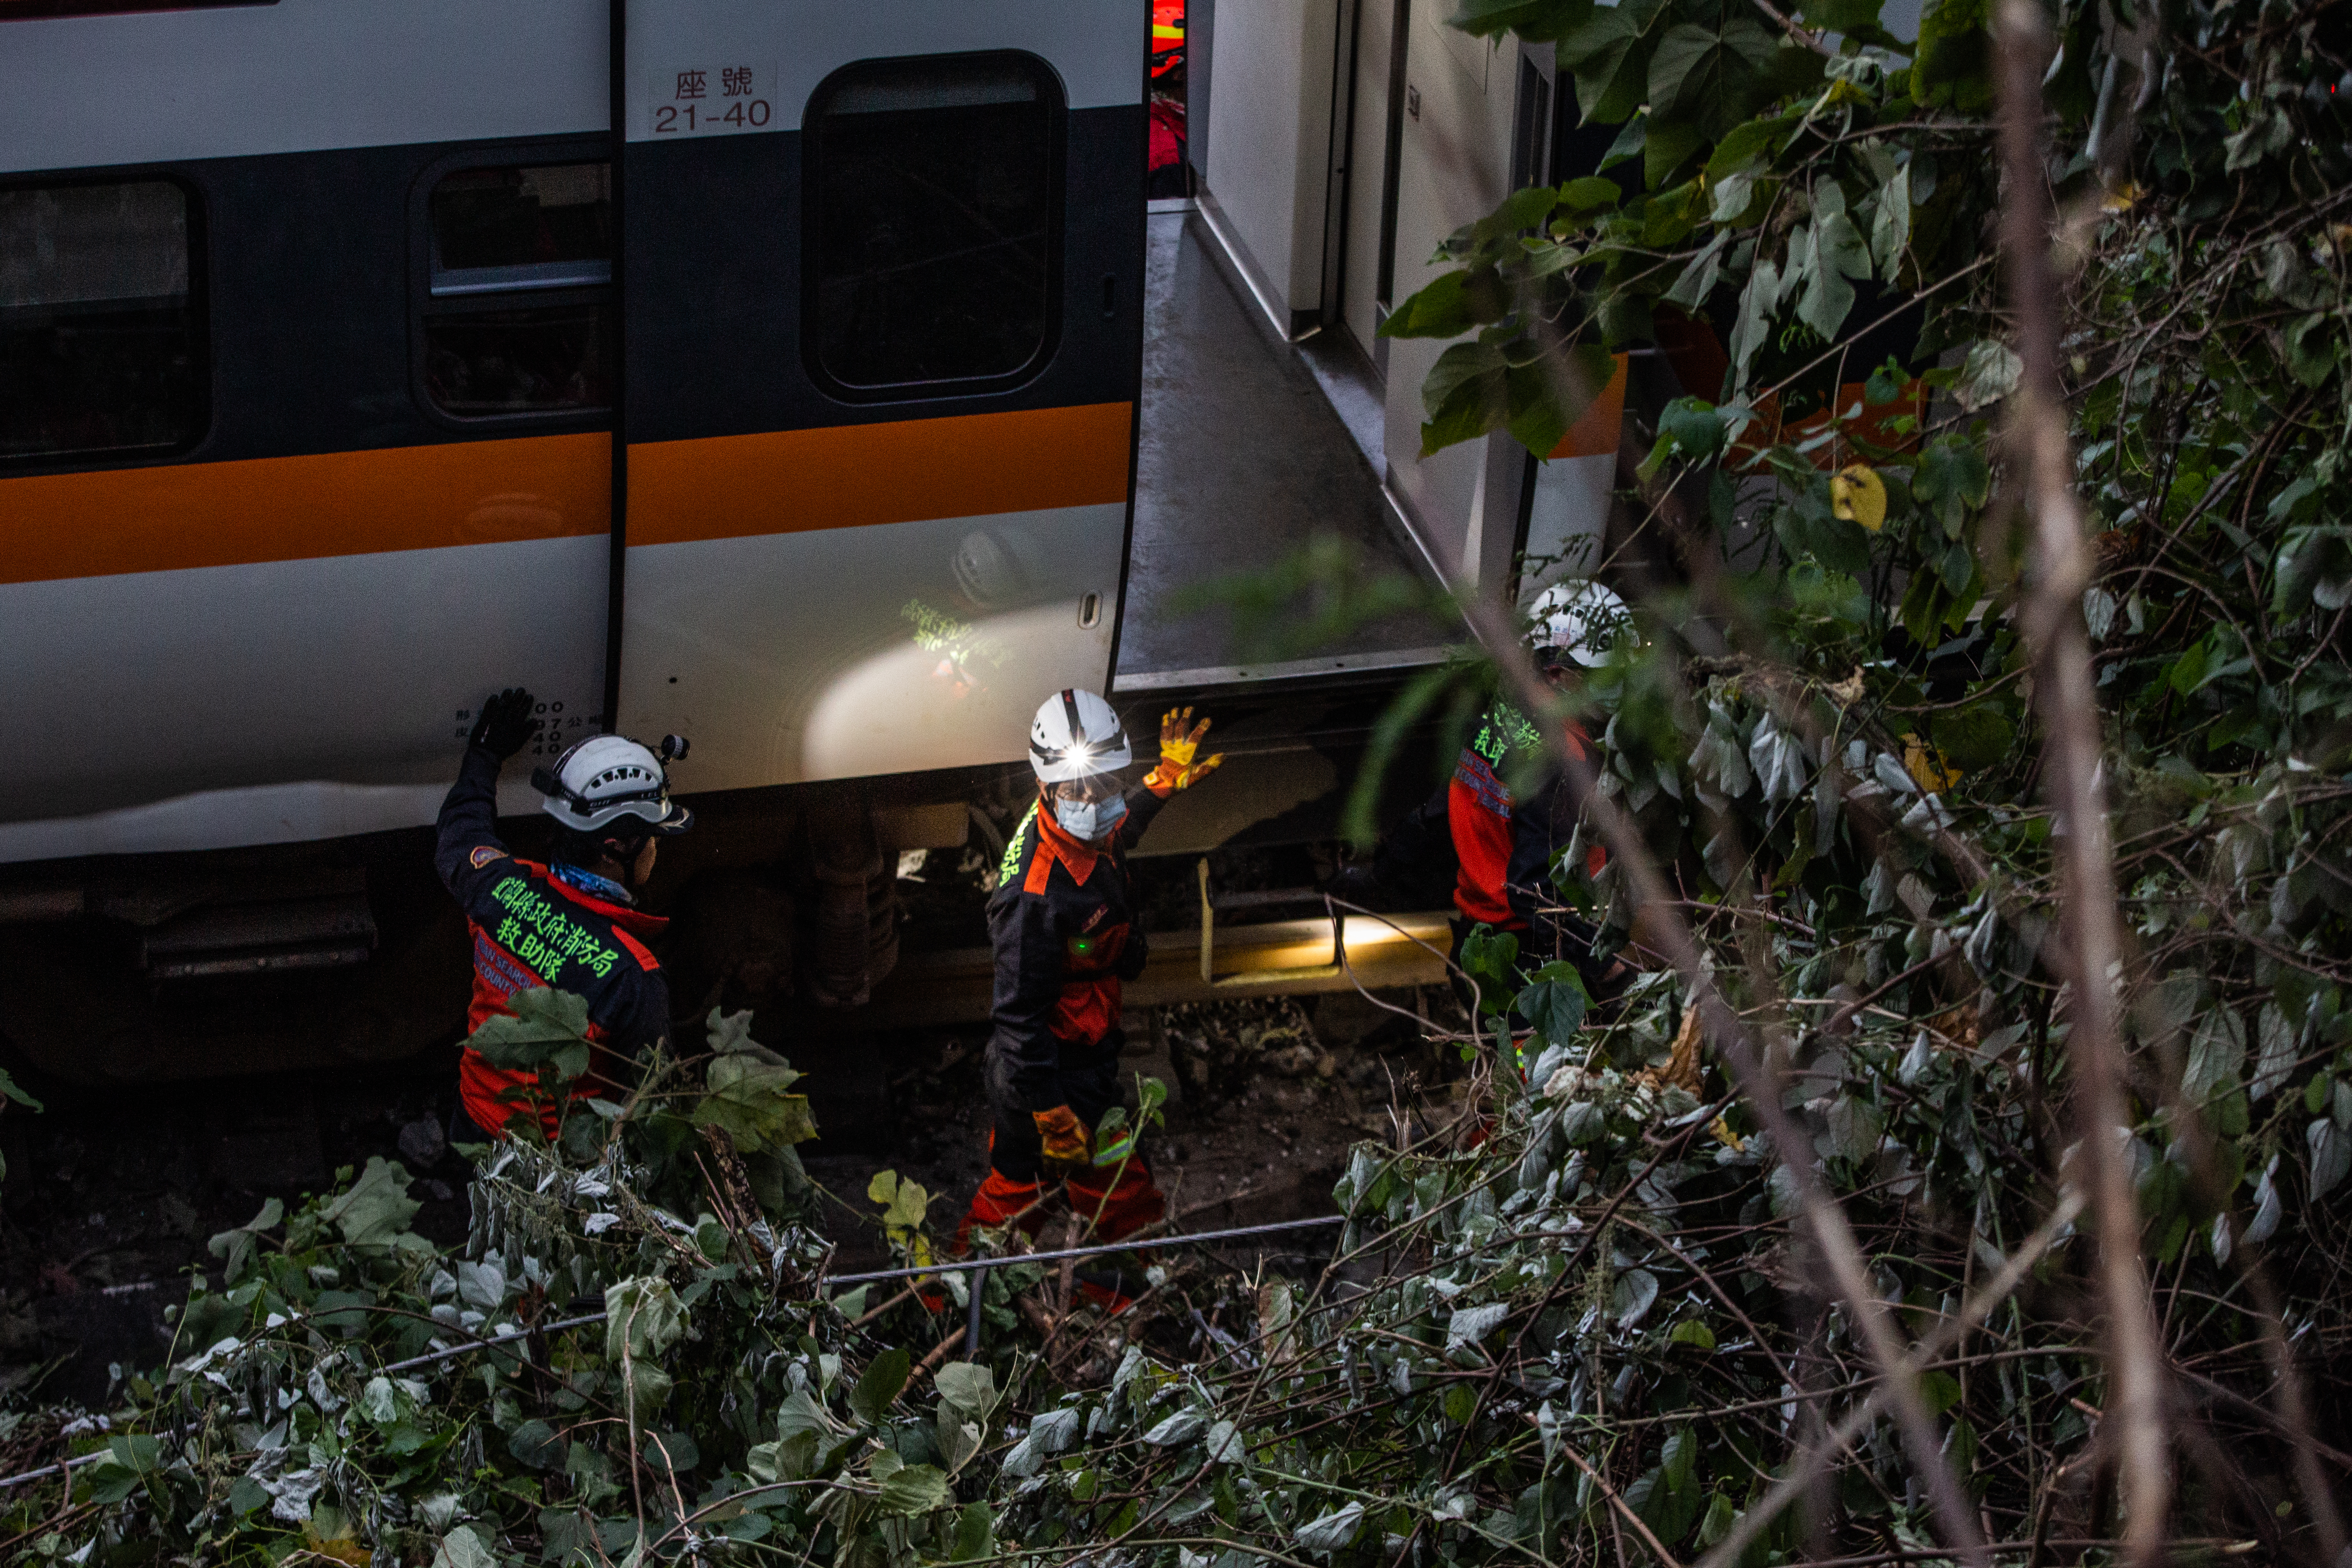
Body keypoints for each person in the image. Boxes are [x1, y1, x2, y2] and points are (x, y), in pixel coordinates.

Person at [956, 692, 1222, 1253]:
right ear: (1045, 786)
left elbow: (1116, 833)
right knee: (1115, 1198)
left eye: (1104, 783)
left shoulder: (1081, 828)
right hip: (1054, 1074)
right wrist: (1053, 1113)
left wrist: (1157, 786)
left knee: (1023, 1194)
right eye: (1076, 788)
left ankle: (959, 1296)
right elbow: (1016, 1018)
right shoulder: (1034, 898)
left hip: (1071, 1060)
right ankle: (1128, 1296)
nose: (1093, 799)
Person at [1344, 581, 1635, 1014]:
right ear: (1558, 674)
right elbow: (1535, 893)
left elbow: (1444, 807)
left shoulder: (1500, 715)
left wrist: (1379, 874)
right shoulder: (1564, 760)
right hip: (1524, 963)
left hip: (1478, 943)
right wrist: (1610, 973)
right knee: (1551, 1076)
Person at [435, 687, 693, 1140]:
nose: (657, 847)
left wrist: (484, 754)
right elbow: (651, 1107)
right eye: (654, 836)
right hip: (550, 1168)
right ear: (617, 847)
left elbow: (460, 833)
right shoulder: (631, 977)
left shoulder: (499, 885)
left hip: (472, 1123)